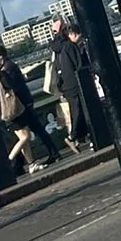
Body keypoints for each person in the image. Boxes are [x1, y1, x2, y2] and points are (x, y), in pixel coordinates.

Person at [0, 46, 61, 173]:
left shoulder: (5, 69)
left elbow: (11, 88)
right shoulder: (8, 68)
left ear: (0, 57)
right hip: (20, 106)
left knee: (27, 134)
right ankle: (30, 161)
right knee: (31, 133)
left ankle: (20, 162)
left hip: (19, 107)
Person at [46, 21, 93, 150]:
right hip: (75, 82)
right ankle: (74, 136)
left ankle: (81, 136)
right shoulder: (69, 46)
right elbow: (78, 64)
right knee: (82, 109)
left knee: (76, 110)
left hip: (65, 85)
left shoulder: (56, 48)